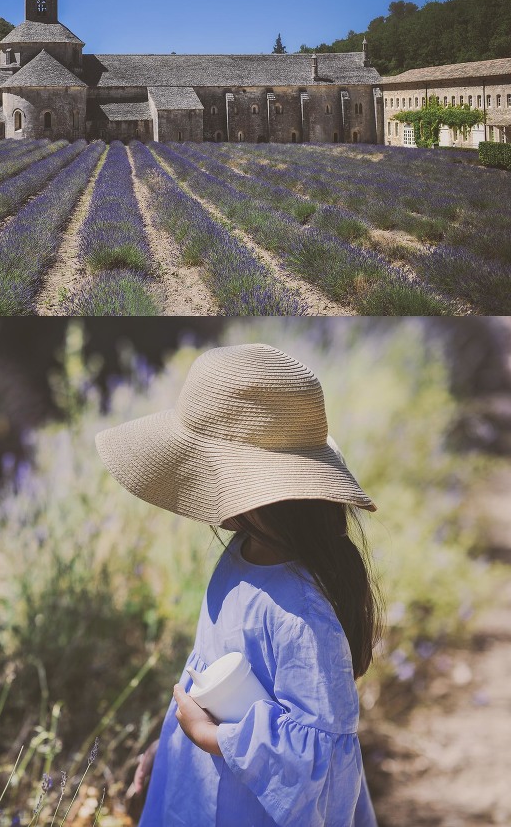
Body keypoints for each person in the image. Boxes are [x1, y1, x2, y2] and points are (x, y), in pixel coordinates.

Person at [95, 343, 383, 827]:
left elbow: (318, 761)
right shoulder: (244, 550)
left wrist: (209, 738)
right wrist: (171, 748)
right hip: (201, 785)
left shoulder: (302, 612)